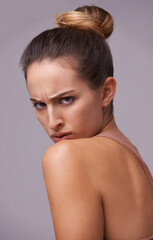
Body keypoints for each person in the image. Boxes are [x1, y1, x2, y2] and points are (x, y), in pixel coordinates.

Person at [20, 5, 153, 240]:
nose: (53, 122)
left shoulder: (66, 156)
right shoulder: (132, 158)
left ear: (106, 92)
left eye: (66, 99)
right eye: (39, 104)